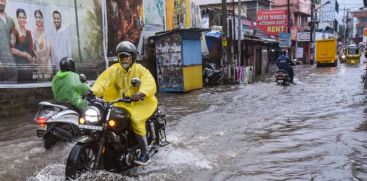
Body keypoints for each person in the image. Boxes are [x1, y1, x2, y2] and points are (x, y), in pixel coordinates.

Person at [91, 41, 158, 166]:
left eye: (127, 56)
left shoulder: (140, 69)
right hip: (123, 102)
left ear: (132, 57)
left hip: (143, 102)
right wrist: (92, 92)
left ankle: (145, 154)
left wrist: (141, 93)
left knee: (136, 120)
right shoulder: (115, 69)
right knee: (104, 117)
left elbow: (149, 82)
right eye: (121, 56)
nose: (124, 59)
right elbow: (103, 81)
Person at [10, 8, 35, 82]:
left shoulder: (29, 32)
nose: (22, 19)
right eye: (20, 17)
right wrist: (25, 54)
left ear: (26, 18)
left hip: (29, 67)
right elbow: (12, 49)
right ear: (17, 18)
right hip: (19, 66)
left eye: (24, 17)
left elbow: (31, 48)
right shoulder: (14, 31)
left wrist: (33, 58)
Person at [0, 0, 16, 82]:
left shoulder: (11, 21)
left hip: (11, 64)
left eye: (2, 0)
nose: (1, 2)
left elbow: (13, 41)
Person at [33, 10, 51, 80]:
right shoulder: (33, 31)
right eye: (36, 17)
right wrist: (37, 56)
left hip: (46, 60)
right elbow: (33, 48)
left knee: (48, 81)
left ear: (42, 19)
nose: (38, 19)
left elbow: (49, 47)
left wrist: (45, 62)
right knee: (40, 81)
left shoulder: (46, 31)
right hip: (38, 60)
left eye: (40, 17)